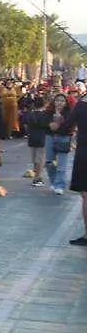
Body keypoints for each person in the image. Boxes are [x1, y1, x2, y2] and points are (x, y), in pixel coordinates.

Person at [67, 94, 87, 246]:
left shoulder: (81, 106)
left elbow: (67, 125)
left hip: (84, 154)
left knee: (86, 194)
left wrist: (55, 125)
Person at [46, 93, 74, 196]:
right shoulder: (49, 112)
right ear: (54, 102)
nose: (59, 103)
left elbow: (70, 126)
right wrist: (49, 125)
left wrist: (59, 127)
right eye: (57, 100)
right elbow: (43, 122)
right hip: (50, 137)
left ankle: (60, 185)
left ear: (66, 103)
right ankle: (53, 181)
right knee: (49, 162)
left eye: (62, 101)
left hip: (63, 138)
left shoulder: (69, 113)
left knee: (61, 164)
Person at [25, 94, 51, 187]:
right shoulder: (45, 115)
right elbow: (48, 127)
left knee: (35, 159)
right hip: (42, 139)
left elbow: (26, 125)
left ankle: (36, 176)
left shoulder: (30, 115)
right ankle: (37, 178)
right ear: (44, 104)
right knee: (39, 159)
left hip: (32, 138)